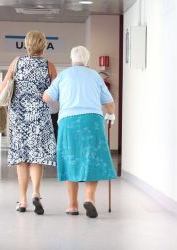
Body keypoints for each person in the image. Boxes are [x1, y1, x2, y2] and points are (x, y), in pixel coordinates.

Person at [43, 45, 117, 218]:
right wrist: (111, 115)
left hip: (68, 122)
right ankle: (89, 199)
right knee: (93, 159)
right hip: (92, 120)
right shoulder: (95, 76)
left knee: (71, 159)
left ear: (72, 59)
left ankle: (72, 205)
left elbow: (47, 98)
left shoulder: (63, 75)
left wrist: (48, 90)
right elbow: (109, 103)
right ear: (88, 60)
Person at [0, 31, 57, 215]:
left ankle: (22, 201)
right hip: (39, 116)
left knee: (21, 159)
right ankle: (36, 193)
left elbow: (2, 88)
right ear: (43, 45)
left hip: (19, 116)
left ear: (27, 45)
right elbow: (55, 94)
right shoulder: (49, 66)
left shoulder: (17, 62)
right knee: (37, 157)